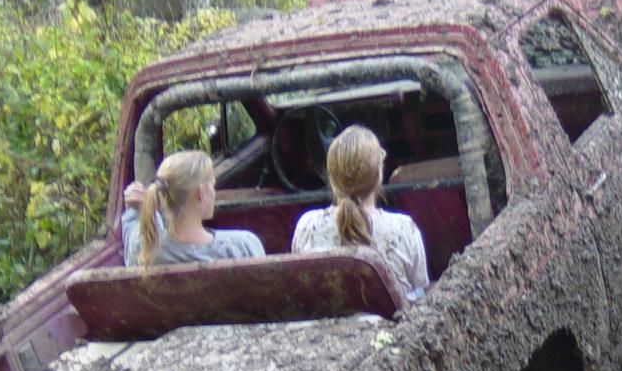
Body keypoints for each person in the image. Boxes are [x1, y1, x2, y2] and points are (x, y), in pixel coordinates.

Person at [291, 125, 430, 303]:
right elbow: (419, 287)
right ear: (379, 175)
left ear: (332, 178)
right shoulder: (404, 228)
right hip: (392, 321)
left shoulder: (307, 225)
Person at [121, 150, 264, 267]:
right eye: (212, 186)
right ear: (201, 192)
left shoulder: (144, 252)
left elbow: (136, 231)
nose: (214, 193)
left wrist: (134, 210)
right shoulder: (243, 246)